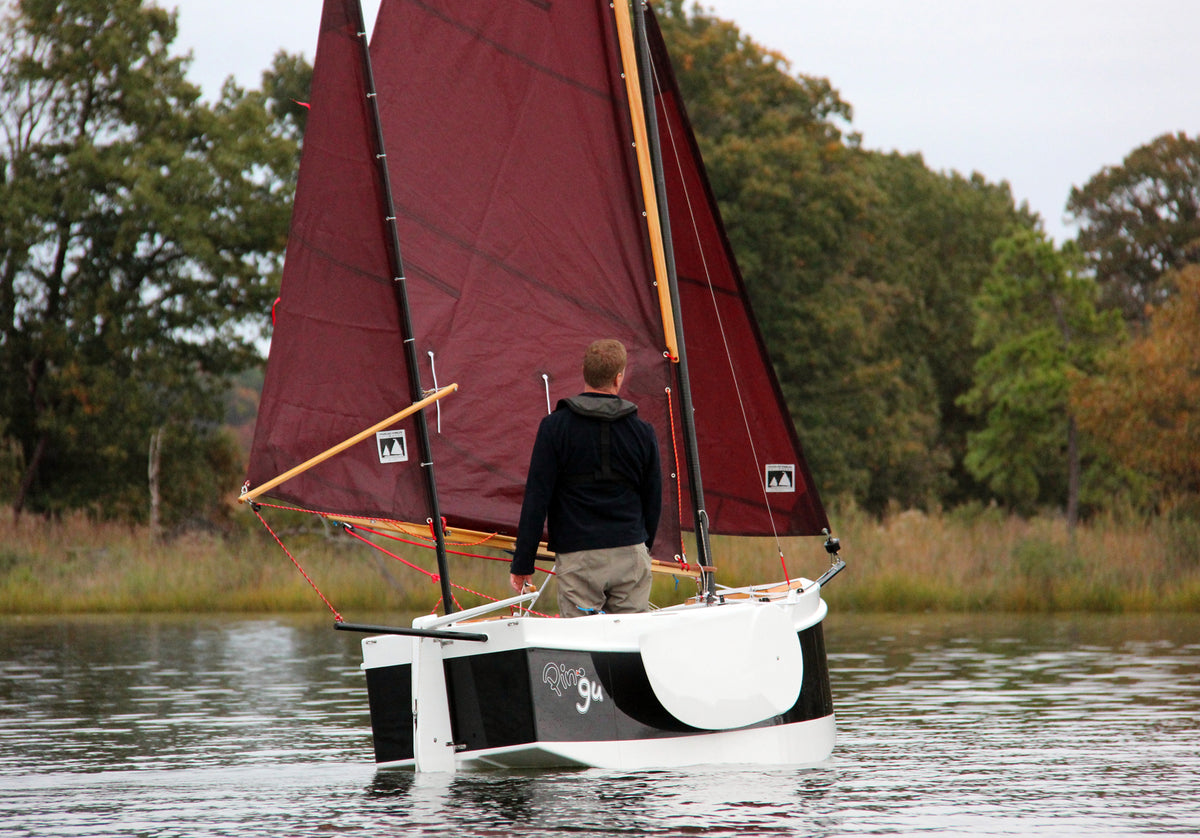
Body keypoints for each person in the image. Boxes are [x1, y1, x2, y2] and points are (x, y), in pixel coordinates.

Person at [509, 339, 661, 616]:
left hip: (578, 557)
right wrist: (642, 545)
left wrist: (523, 564)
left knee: (582, 645)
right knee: (630, 644)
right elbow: (654, 499)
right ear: (618, 377)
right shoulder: (643, 432)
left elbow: (536, 498)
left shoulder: (554, 427)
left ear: (584, 371)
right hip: (630, 551)